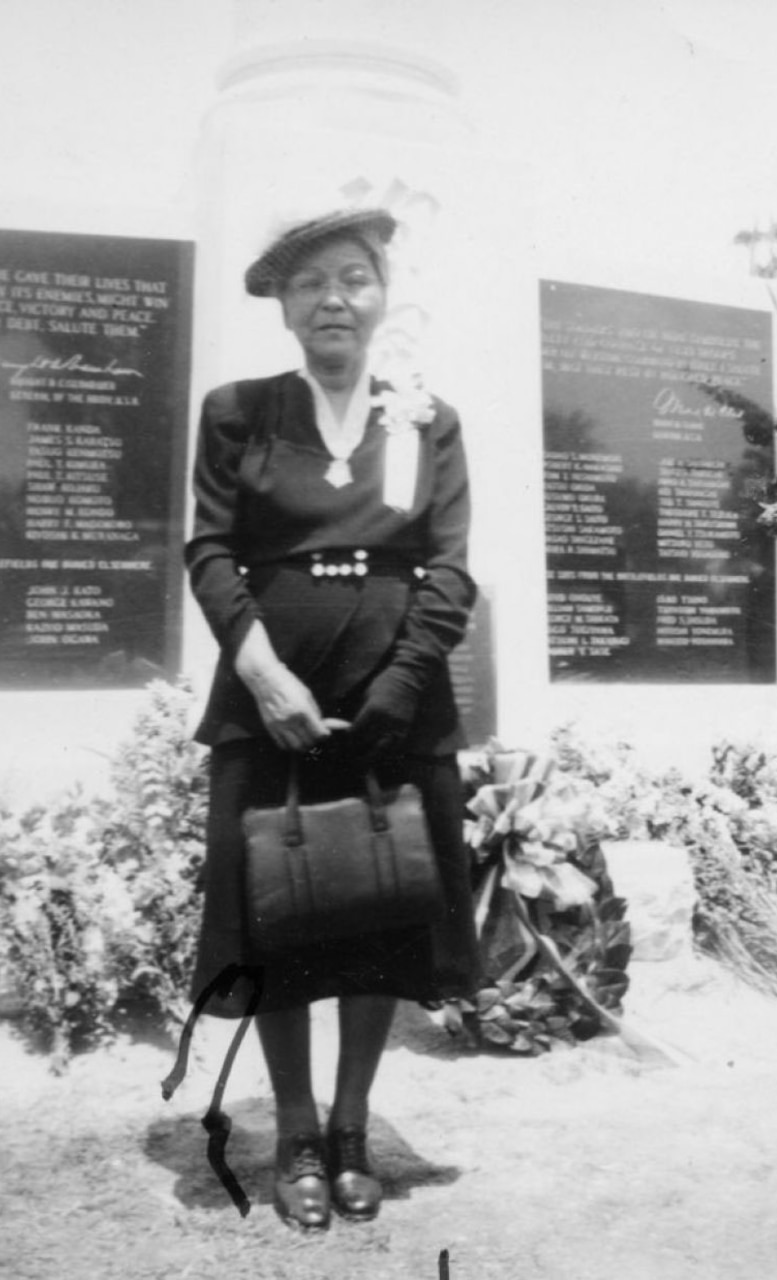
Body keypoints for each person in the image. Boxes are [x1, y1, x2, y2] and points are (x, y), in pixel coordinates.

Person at [185, 208, 480, 1231]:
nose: (333, 298)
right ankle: (296, 1133)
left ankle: (353, 1125)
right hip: (272, 704)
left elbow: (447, 568)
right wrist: (262, 674)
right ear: (282, 303)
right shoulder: (239, 410)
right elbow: (211, 552)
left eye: (352, 278)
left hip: (396, 705)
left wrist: (399, 686)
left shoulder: (424, 419)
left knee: (384, 914)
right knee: (278, 915)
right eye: (310, 283)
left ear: (381, 292)